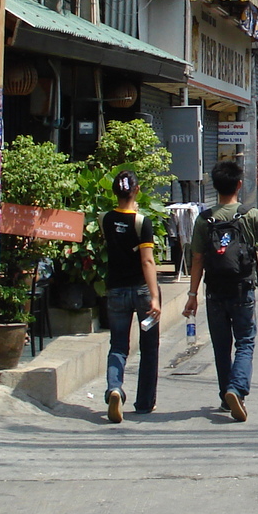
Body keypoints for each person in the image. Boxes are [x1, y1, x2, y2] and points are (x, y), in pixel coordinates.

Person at [183, 160, 258, 423]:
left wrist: (192, 296)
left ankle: (225, 396)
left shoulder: (204, 220)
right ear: (240, 184)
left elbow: (197, 260)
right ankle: (236, 389)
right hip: (242, 289)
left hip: (214, 291)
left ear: (214, 187)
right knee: (245, 341)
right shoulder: (251, 215)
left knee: (221, 345)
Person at [101, 170, 161, 423]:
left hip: (115, 291)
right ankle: (145, 402)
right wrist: (155, 297)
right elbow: (147, 261)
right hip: (141, 291)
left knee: (118, 345)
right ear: (136, 190)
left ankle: (115, 387)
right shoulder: (141, 222)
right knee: (149, 348)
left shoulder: (105, 219)